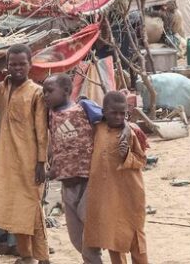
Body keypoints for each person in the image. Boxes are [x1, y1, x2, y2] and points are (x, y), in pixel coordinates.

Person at [0, 45, 49, 264]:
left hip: (29, 161)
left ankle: (43, 258)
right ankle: (26, 256)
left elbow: (42, 131)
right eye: (12, 64)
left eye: (21, 64)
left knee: (33, 210)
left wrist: (41, 162)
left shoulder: (36, 92)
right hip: (5, 161)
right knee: (15, 210)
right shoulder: (1, 89)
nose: (17, 68)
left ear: (30, 65)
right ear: (7, 66)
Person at [42, 74, 103, 264]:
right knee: (76, 238)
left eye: (50, 91)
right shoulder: (49, 115)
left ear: (67, 91)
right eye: (44, 92)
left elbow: (109, 121)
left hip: (88, 182)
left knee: (90, 237)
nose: (45, 95)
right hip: (67, 185)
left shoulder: (83, 108)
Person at [84, 91, 149, 264]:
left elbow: (142, 160)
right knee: (112, 236)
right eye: (114, 113)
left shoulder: (132, 133)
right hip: (106, 194)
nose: (119, 117)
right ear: (104, 112)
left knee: (135, 238)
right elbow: (83, 102)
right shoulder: (98, 128)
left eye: (123, 113)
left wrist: (126, 155)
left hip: (130, 193)